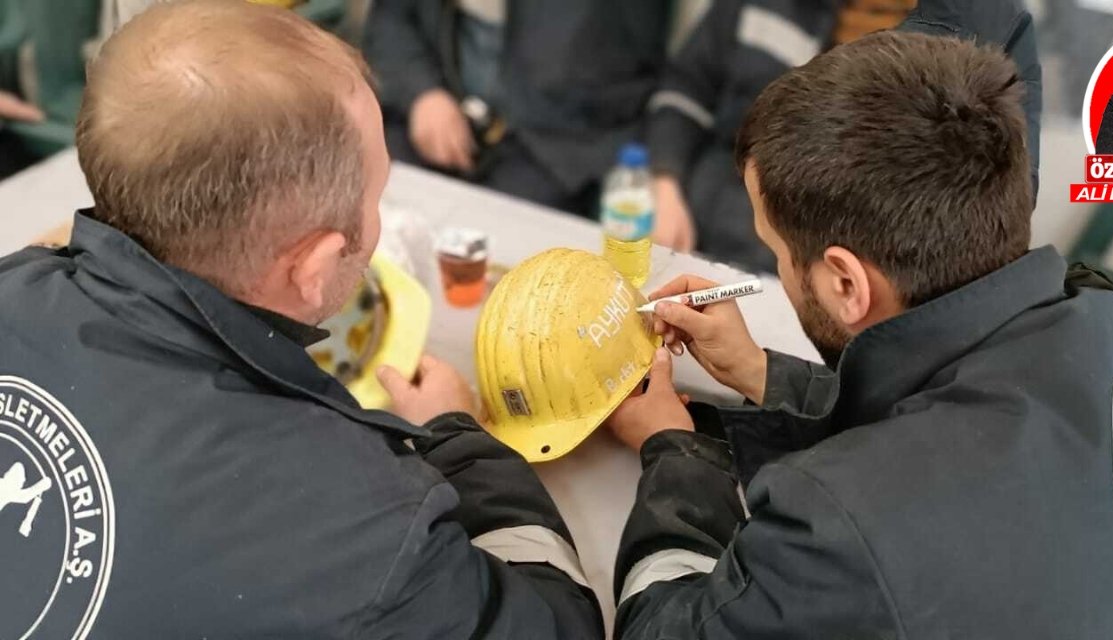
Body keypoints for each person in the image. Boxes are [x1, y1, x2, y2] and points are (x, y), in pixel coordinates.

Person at [606, 31, 1113, 638]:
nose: (777, 271)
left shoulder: (843, 526)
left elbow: (667, 631)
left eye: (775, 251)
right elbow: (948, 426)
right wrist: (760, 372)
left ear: (845, 283)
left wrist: (674, 450)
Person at [0, 2, 601, 637]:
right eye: (376, 197)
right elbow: (557, 625)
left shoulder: (15, 286)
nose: (376, 216)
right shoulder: (371, 541)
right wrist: (460, 442)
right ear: (312, 267)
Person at [647, 0, 1041, 271]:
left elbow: (988, 206)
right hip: (696, 227)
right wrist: (665, 186)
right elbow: (686, 87)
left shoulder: (981, 29)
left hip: (828, 276)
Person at [363, 0, 672, 218]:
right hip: (437, 105)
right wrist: (422, 93)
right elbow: (391, 20)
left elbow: (629, 77)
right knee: (370, 195)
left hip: (554, 142)